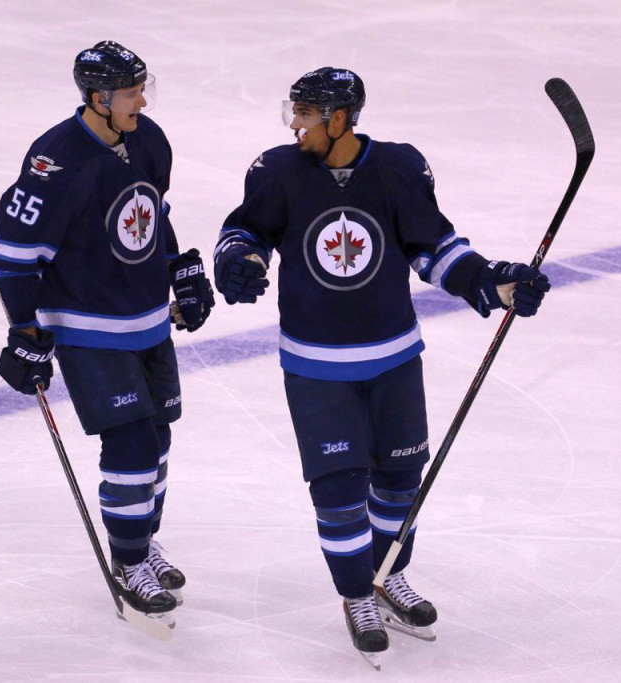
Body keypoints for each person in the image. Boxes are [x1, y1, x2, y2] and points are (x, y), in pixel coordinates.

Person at [213, 67, 551, 657]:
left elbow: (433, 248)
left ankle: (387, 572)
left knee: (399, 481)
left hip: (394, 358)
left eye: (306, 114)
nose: (295, 125)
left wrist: (491, 283)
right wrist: (237, 259)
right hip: (316, 366)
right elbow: (245, 231)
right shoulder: (278, 171)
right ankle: (356, 594)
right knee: (339, 488)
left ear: (339, 119)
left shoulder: (398, 168)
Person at [0, 41, 215, 618]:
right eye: (132, 92)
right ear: (98, 98)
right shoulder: (56, 160)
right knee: (131, 443)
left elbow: (153, 213)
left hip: (149, 320)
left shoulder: (149, 140)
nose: (143, 101)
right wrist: (26, 332)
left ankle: (141, 538)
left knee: (158, 438)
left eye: (143, 88)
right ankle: (129, 559)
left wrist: (179, 269)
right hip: (88, 328)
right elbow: (15, 257)